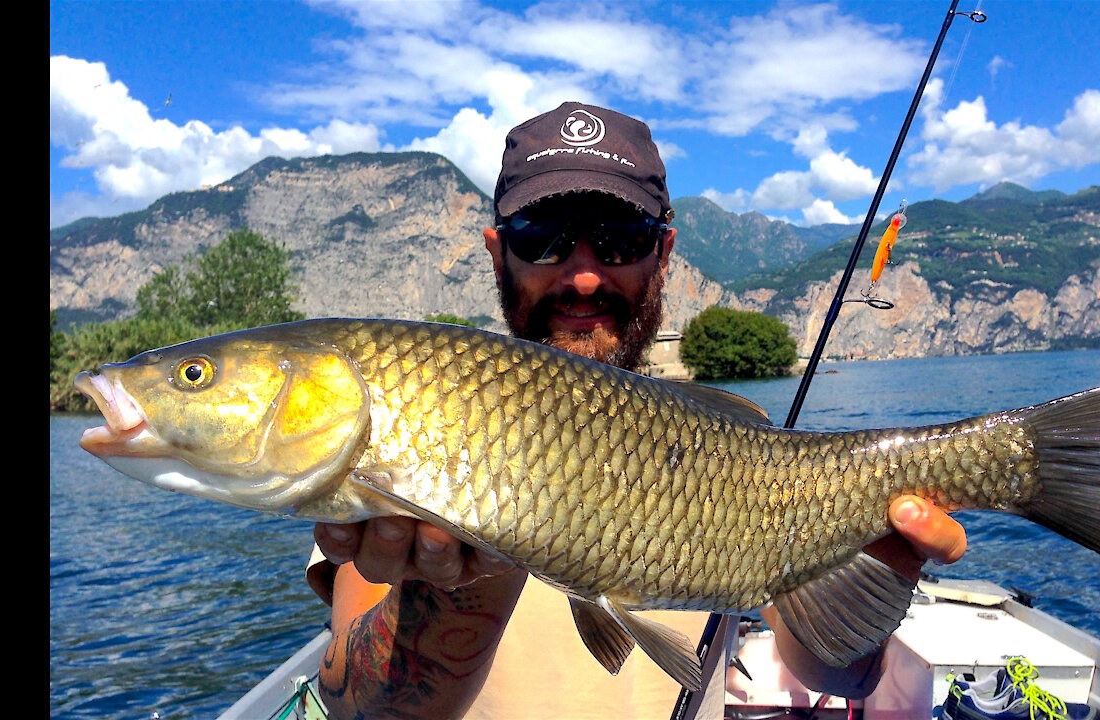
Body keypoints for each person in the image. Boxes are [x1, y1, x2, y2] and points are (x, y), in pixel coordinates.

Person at [306, 101, 968, 719]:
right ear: (496, 253)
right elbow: (355, 702)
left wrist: (872, 575)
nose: (584, 274)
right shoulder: (411, 418)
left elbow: (837, 674)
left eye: (620, 237)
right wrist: (462, 572)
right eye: (543, 236)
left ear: (665, 255)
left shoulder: (728, 452)